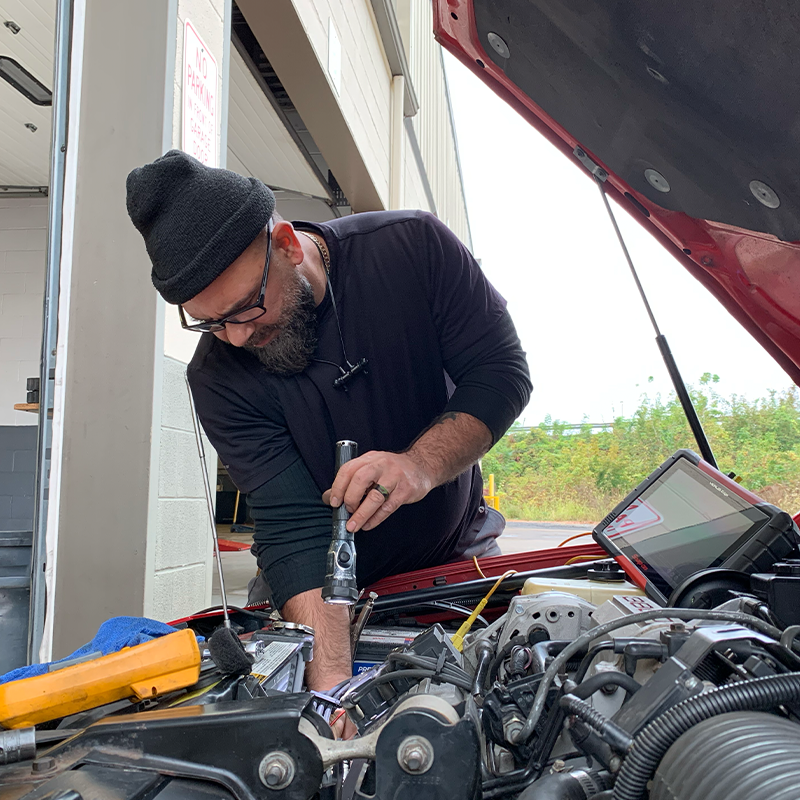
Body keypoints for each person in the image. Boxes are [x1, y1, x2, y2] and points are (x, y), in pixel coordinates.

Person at [126, 150, 532, 696]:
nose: (237, 337)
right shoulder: (217, 378)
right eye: (211, 322)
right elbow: (293, 527)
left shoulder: (413, 248)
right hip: (315, 592)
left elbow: (501, 372)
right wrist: (334, 686)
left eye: (246, 307)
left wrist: (419, 465)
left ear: (288, 245)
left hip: (454, 562)